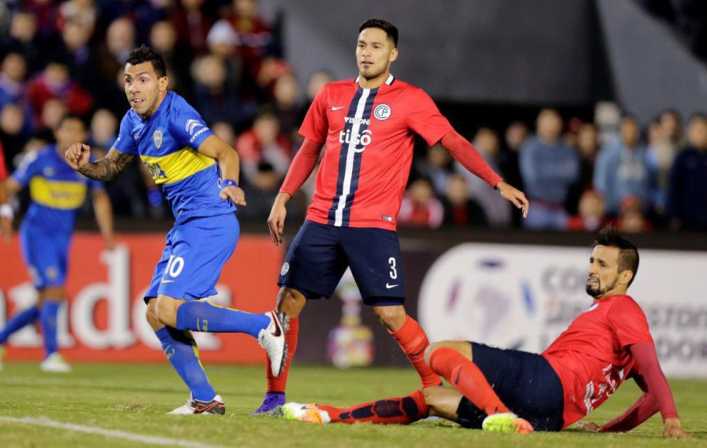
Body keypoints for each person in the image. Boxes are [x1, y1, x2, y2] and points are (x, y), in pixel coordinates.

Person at [255, 18, 529, 414]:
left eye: (376, 46)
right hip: (322, 219)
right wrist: (283, 196)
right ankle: (274, 396)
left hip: (371, 225)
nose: (366, 52)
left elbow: (452, 141)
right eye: (361, 45)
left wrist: (496, 182)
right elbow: (308, 150)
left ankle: (433, 386)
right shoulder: (330, 95)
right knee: (287, 302)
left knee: (389, 313)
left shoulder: (410, 99)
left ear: (392, 53)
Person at [280, 229, 688, 439]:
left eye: (602, 264)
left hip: (547, 380)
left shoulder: (624, 309)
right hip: (550, 418)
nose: (592, 269)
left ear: (625, 275)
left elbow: (652, 369)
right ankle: (331, 416)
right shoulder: (615, 322)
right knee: (433, 399)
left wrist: (671, 420)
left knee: (440, 352)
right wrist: (612, 430)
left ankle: (499, 415)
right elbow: (651, 388)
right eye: (591, 260)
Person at [63, 45, 286, 414]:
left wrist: (229, 183)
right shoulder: (132, 122)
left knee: (167, 307)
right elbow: (111, 168)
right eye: (128, 80)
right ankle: (204, 399)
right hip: (187, 225)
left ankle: (263, 326)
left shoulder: (177, 115)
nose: (134, 88)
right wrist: (85, 166)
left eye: (144, 79)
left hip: (211, 221)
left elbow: (226, 152)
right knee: (155, 311)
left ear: (162, 83)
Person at [0, 115, 114, 372]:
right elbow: (8, 186)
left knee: (49, 298)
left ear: (84, 135)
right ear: (57, 132)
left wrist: (108, 236)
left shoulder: (87, 162)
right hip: (38, 234)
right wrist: (5, 215)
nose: (73, 135)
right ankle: (50, 354)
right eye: (68, 129)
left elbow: (100, 199)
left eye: (78, 130)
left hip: (63, 238)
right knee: (54, 290)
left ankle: (1, 339)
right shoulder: (40, 158)